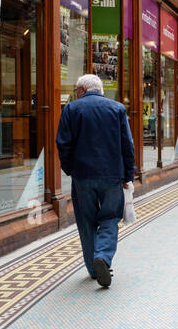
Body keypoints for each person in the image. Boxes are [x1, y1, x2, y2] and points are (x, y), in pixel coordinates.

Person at [55, 74, 135, 289]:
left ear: (81, 90)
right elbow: (127, 144)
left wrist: (71, 169)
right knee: (110, 217)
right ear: (99, 90)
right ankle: (103, 257)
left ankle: (93, 268)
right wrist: (128, 175)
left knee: (86, 220)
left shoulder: (71, 109)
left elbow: (63, 144)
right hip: (112, 175)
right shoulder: (117, 109)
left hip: (82, 176)